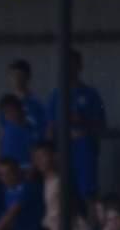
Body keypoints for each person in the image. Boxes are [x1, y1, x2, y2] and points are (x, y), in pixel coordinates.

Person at [39, 49, 106, 200]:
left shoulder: (91, 94)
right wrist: (49, 153)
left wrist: (81, 120)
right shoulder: (56, 96)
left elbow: (101, 125)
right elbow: (49, 128)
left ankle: (91, 224)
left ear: (80, 66)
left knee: (89, 194)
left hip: (84, 152)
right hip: (62, 152)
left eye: (73, 64)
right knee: (62, 195)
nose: (69, 69)